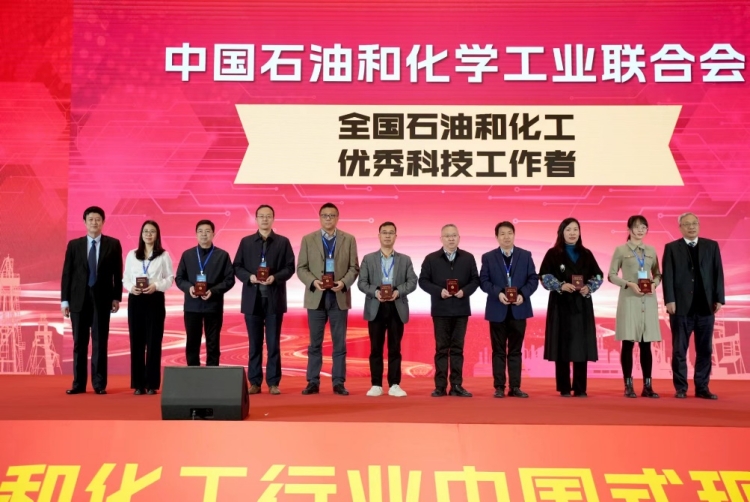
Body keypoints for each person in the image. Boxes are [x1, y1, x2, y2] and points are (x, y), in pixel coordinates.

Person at [297, 203, 359, 395]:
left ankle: (338, 382)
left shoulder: (349, 239)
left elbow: (354, 267)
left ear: (337, 218)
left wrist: (344, 282)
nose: (328, 219)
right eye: (325, 215)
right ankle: (312, 381)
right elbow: (301, 268)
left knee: (339, 343)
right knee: (315, 343)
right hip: (316, 297)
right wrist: (313, 281)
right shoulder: (308, 239)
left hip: (338, 297)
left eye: (332, 215)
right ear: (320, 218)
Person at [662, 212, 725, 400]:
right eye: (687, 224)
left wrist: (719, 298)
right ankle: (681, 388)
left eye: (694, 223)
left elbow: (718, 273)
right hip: (681, 308)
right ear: (680, 227)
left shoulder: (711, 246)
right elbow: (668, 276)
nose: (691, 227)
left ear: (699, 225)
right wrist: (669, 300)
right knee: (679, 350)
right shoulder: (672, 248)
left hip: (706, 307)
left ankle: (702, 387)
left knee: (705, 350)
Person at [234, 205, 295, 395]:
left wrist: (275, 277)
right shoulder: (246, 242)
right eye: (261, 216)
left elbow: (290, 267)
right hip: (252, 300)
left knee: (273, 343)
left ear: (273, 219)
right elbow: (237, 266)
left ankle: (274, 382)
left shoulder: (283, 242)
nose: (265, 219)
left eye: (268, 216)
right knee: (254, 343)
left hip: (274, 300)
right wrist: (249, 277)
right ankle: (254, 382)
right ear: (256, 219)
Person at [61, 206, 123, 395]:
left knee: (100, 342)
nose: (94, 222)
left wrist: (116, 297)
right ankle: (78, 384)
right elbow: (67, 274)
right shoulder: (74, 245)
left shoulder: (113, 244)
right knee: (79, 343)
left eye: (97, 219)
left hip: (102, 300)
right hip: (78, 300)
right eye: (90, 219)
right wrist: (64, 301)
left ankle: (99, 384)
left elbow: (118, 273)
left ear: (103, 222)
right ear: (84, 222)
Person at [539, 218, 603, 397]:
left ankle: (580, 387)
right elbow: (544, 275)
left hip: (582, 304)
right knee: (562, 345)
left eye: (575, 229)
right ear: (561, 232)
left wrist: (589, 287)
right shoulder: (553, 253)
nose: (572, 233)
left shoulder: (587, 253)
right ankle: (565, 387)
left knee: (581, 345)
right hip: (561, 304)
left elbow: (598, 275)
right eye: (568, 230)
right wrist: (560, 285)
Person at [418, 224, 480, 397]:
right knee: (441, 349)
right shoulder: (431, 258)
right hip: (441, 310)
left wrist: (464, 291)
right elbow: (423, 281)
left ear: (459, 238)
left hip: (461, 310)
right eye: (447, 236)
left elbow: (475, 280)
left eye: (454, 235)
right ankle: (440, 386)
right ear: (441, 239)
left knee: (458, 349)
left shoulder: (468, 258)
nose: (451, 238)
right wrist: (439, 291)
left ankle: (457, 385)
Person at [358, 222, 418, 397]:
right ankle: (376, 384)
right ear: (379, 236)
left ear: (395, 237)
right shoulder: (368, 259)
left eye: (391, 233)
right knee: (375, 348)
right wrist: (375, 292)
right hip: (375, 306)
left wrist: (398, 291)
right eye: (384, 232)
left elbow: (412, 281)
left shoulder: (405, 259)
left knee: (395, 348)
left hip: (396, 306)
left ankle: (394, 384)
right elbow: (362, 283)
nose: (387, 236)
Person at [479, 221, 538, 398]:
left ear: (514, 235)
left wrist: (523, 294)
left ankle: (515, 387)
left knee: (515, 350)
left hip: (519, 309)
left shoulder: (525, 255)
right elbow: (484, 281)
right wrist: (498, 293)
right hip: (497, 309)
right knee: (498, 351)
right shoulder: (488, 257)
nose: (506, 237)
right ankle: (499, 387)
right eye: (502, 234)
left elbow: (533, 279)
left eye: (509, 233)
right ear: (496, 237)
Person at [607, 215, 662, 398]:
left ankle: (648, 386)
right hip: (629, 299)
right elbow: (611, 275)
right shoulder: (621, 250)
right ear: (629, 229)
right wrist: (628, 284)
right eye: (637, 227)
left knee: (646, 344)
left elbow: (657, 274)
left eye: (644, 227)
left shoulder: (651, 250)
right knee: (628, 343)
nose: (640, 230)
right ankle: (628, 385)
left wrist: (654, 284)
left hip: (648, 301)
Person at [122, 220, 174, 395]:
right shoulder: (132, 255)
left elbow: (169, 278)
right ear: (141, 234)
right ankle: (138, 384)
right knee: (136, 341)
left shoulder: (163, 255)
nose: (148, 234)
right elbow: (125, 278)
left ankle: (152, 384)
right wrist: (131, 288)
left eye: (152, 231)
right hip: (136, 299)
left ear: (157, 235)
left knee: (154, 342)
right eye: (145, 231)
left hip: (155, 299)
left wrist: (156, 286)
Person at [175, 220, 235, 367]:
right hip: (192, 306)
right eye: (200, 231)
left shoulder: (222, 255)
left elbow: (229, 280)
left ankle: (212, 374)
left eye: (207, 231)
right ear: (196, 234)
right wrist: (189, 288)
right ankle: (192, 374)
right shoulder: (187, 255)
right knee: (192, 342)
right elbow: (179, 278)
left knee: (213, 342)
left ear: (213, 234)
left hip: (213, 305)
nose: (204, 234)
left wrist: (213, 291)